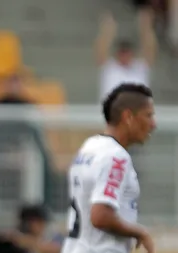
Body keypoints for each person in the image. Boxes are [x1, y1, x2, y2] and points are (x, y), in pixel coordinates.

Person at [61, 83, 156, 253]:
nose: (153, 124)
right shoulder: (116, 157)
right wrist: (140, 232)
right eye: (148, 115)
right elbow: (101, 216)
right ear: (128, 117)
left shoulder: (89, 148)